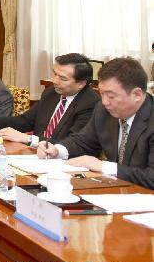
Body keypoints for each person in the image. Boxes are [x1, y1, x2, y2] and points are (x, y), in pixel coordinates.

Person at [38, 57, 154, 190]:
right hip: (116, 191)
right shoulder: (103, 110)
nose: (104, 102)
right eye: (101, 93)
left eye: (111, 96)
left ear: (137, 94)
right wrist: (57, 150)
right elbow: (83, 141)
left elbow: (151, 177)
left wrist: (103, 166)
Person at [0, 53, 99, 147]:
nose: (54, 81)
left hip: (66, 162)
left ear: (81, 83)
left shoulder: (90, 104)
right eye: (54, 74)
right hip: (35, 154)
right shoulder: (51, 93)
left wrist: (28, 139)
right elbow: (25, 121)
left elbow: (72, 143)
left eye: (62, 78)